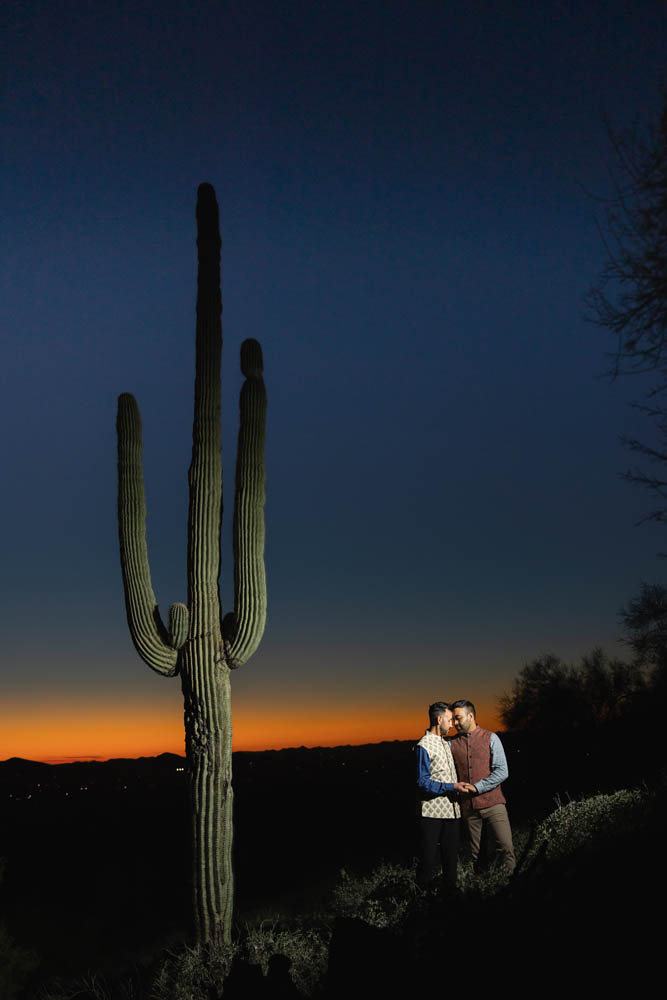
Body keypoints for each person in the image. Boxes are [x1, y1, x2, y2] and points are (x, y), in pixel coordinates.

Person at [448, 700, 516, 873]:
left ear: (471, 716)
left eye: (458, 718)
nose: (455, 723)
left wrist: (477, 787)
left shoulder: (491, 738)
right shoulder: (451, 744)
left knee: (506, 848)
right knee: (476, 856)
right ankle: (482, 893)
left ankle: (514, 887)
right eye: (453, 720)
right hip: (468, 809)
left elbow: (502, 771)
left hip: (494, 804)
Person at [416, 701, 473, 892]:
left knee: (450, 861)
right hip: (432, 814)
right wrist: (452, 787)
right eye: (449, 720)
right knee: (427, 861)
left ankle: (450, 900)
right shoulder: (423, 745)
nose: (452, 724)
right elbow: (422, 782)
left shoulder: (446, 743)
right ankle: (421, 903)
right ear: (439, 719)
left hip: (452, 813)